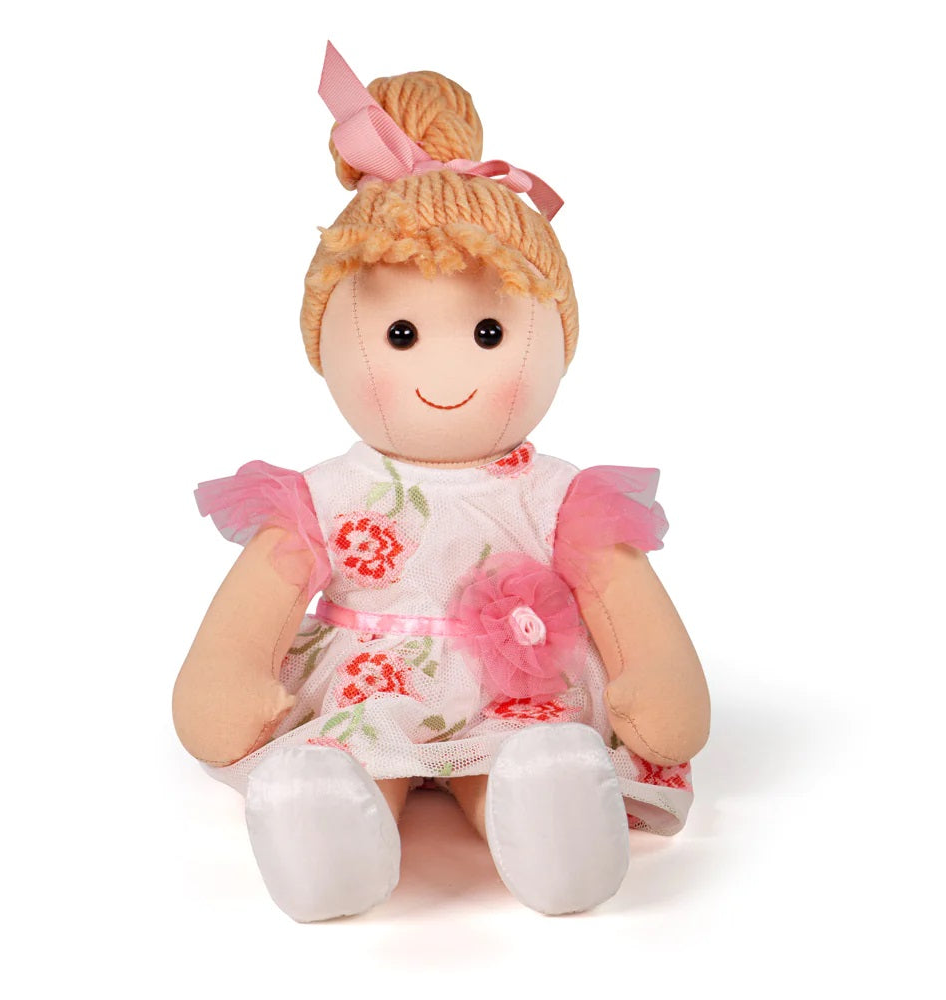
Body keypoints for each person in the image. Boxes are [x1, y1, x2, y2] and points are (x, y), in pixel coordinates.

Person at [173, 41, 710, 923]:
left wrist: (653, 680)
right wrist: (225, 679)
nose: (447, 369)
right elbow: (257, 606)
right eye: (401, 335)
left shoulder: (561, 494)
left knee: (525, 751)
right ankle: (327, 828)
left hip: (519, 689)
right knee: (347, 757)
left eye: (490, 333)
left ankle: (547, 816)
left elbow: (622, 598)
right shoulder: (319, 496)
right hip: (370, 684)